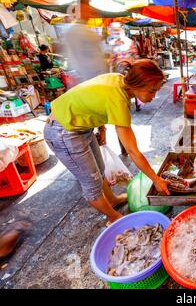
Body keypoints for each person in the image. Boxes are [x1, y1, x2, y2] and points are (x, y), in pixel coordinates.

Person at [44, 60, 171, 224]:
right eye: (152, 91)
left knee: (100, 169)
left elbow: (93, 99)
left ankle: (112, 200)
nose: (154, 96)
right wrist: (156, 179)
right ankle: (115, 218)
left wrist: (101, 128)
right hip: (62, 131)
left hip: (79, 125)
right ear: (137, 84)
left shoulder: (119, 79)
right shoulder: (118, 100)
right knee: (92, 183)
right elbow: (132, 151)